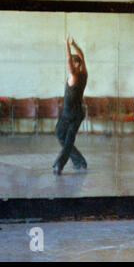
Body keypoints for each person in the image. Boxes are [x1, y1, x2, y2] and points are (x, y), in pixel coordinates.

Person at [53, 34, 88, 175]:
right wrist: (74, 45)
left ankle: (59, 166)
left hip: (70, 113)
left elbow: (69, 60)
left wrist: (67, 45)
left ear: (76, 65)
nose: (68, 65)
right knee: (64, 136)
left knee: (65, 138)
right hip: (77, 113)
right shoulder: (84, 73)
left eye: (72, 63)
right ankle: (79, 161)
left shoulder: (74, 76)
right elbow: (82, 56)